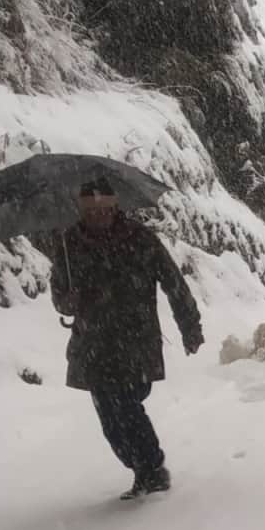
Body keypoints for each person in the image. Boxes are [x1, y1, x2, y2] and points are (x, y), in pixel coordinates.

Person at [50, 179, 204, 499]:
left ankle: (152, 468)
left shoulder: (139, 238)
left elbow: (173, 282)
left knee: (126, 405)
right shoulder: (69, 244)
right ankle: (140, 469)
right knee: (110, 419)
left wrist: (189, 326)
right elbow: (59, 296)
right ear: (81, 209)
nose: (99, 215)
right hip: (92, 345)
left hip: (136, 340)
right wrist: (68, 302)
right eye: (91, 210)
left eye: (104, 208)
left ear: (115, 206)